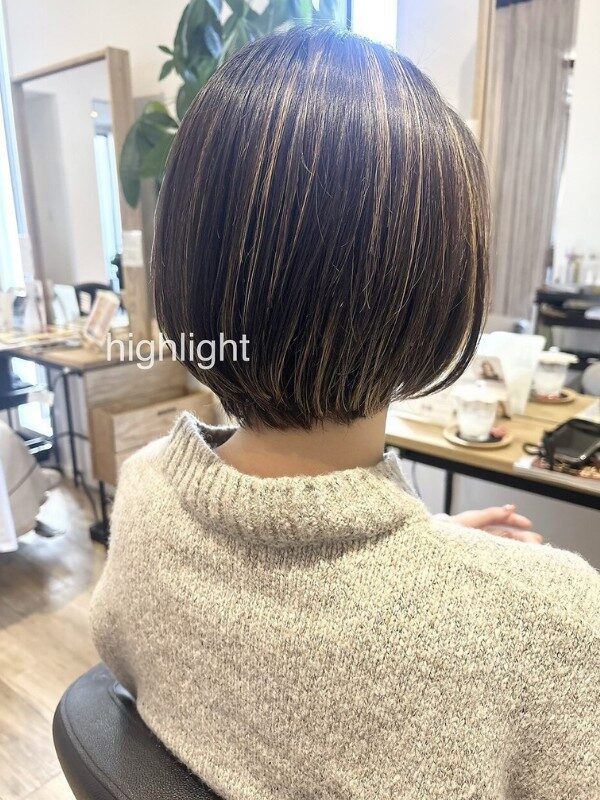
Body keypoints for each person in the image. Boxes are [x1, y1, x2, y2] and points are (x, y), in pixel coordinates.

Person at [91, 26, 599, 800]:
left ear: (188, 264)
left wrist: (431, 556)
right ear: (439, 287)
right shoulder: (554, 624)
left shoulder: (145, 490)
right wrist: (456, 585)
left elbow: (144, 649)